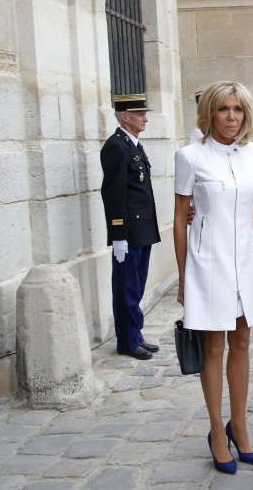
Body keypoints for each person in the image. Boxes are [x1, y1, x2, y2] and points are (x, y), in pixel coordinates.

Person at [173, 81, 253, 474]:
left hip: (246, 261)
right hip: (207, 263)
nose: (231, 117)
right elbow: (179, 220)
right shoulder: (189, 156)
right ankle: (217, 431)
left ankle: (241, 425)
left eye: (238, 109)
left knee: (244, 339)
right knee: (214, 346)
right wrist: (183, 277)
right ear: (210, 113)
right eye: (223, 109)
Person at [100, 93, 161, 361]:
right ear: (125, 117)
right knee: (126, 287)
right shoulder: (116, 146)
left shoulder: (133, 145)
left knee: (135, 286)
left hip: (142, 230)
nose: (145, 118)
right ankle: (126, 340)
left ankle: (135, 335)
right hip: (129, 233)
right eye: (140, 114)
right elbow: (113, 194)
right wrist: (118, 235)